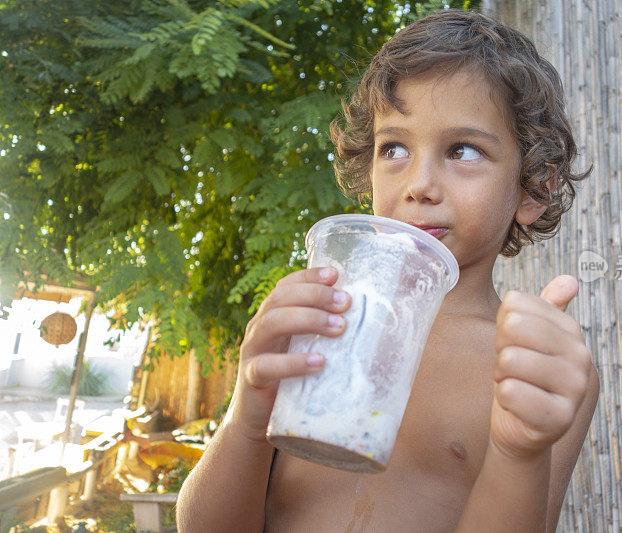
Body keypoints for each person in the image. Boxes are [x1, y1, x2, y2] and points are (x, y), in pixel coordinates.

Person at [176, 9, 599, 532]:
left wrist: (519, 451)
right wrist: (247, 414)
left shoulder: (529, 365)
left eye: (462, 150)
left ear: (535, 188)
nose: (419, 183)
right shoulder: (323, 325)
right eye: (394, 147)